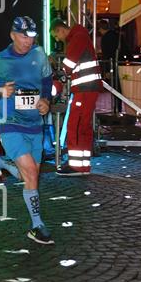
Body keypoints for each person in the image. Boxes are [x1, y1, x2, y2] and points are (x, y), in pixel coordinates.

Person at [0, 16, 54, 245]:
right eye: (23, 36)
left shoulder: (39, 55)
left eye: (31, 36)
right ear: (12, 35)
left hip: (35, 124)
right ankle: (37, 225)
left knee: (28, 176)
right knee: (30, 171)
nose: (28, 41)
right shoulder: (0, 60)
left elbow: (47, 82)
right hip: (10, 123)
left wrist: (46, 100)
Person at [50, 20, 102, 176]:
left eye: (56, 35)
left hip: (84, 90)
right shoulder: (81, 36)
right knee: (83, 127)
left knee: (76, 125)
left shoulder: (77, 38)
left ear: (60, 29)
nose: (57, 39)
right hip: (88, 89)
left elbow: (68, 66)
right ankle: (82, 164)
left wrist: (56, 72)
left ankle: (76, 166)